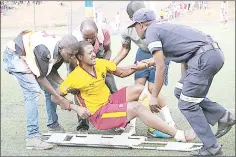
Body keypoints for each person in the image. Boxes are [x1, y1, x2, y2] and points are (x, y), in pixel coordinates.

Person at [128, 8, 235, 156]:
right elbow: (173, 54)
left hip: (203, 58)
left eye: (134, 26)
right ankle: (223, 116)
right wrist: (149, 63)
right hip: (211, 54)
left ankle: (212, 147)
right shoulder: (163, 26)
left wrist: (154, 96)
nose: (135, 30)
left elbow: (161, 67)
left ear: (140, 24)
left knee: (187, 104)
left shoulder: (151, 32)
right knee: (180, 91)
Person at [51, 40, 197, 143]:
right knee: (137, 107)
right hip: (99, 115)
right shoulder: (74, 77)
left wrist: (142, 66)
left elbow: (121, 72)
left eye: (93, 51)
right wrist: (75, 107)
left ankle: (151, 127)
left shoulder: (100, 63)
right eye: (90, 53)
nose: (94, 54)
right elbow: (55, 97)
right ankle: (178, 134)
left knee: (140, 89)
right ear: (80, 57)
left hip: (109, 101)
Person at [2, 30, 80, 150]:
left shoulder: (60, 51)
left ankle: (53, 126)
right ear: (62, 47)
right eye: (70, 54)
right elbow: (42, 77)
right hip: (15, 56)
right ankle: (32, 137)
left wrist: (66, 86)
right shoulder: (44, 50)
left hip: (29, 57)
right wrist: (60, 99)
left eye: (75, 54)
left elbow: (51, 72)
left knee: (54, 89)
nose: (72, 57)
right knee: (32, 92)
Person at [112, 1, 175, 137]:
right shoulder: (128, 30)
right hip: (142, 53)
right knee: (137, 88)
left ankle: (170, 123)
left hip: (159, 53)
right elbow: (124, 49)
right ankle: (131, 127)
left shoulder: (156, 25)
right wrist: (110, 66)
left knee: (153, 89)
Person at [71, 19, 118, 134]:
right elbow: (71, 63)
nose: (89, 40)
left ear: (97, 32)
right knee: (79, 93)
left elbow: (108, 51)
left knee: (113, 90)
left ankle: (116, 121)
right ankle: (83, 125)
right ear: (81, 33)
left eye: (92, 37)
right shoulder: (75, 39)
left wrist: (102, 66)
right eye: (85, 38)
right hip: (81, 66)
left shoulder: (104, 33)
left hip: (100, 60)